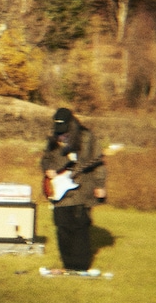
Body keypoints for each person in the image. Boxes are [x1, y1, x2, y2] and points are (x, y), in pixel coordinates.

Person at [41, 107, 107, 273]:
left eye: (64, 131)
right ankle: (68, 263)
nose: (61, 134)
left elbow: (99, 163)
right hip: (59, 192)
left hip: (82, 188)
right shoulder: (53, 139)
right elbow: (45, 159)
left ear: (72, 125)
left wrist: (100, 184)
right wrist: (48, 169)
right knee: (62, 226)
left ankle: (80, 265)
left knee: (79, 226)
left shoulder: (87, 137)